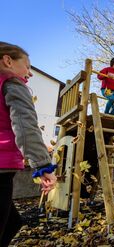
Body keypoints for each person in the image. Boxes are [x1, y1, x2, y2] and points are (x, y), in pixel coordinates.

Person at [0, 41, 57, 246]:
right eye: (27, 65)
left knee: (13, 222)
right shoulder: (13, 84)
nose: (29, 73)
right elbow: (25, 127)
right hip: (1, 169)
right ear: (8, 61)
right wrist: (43, 165)